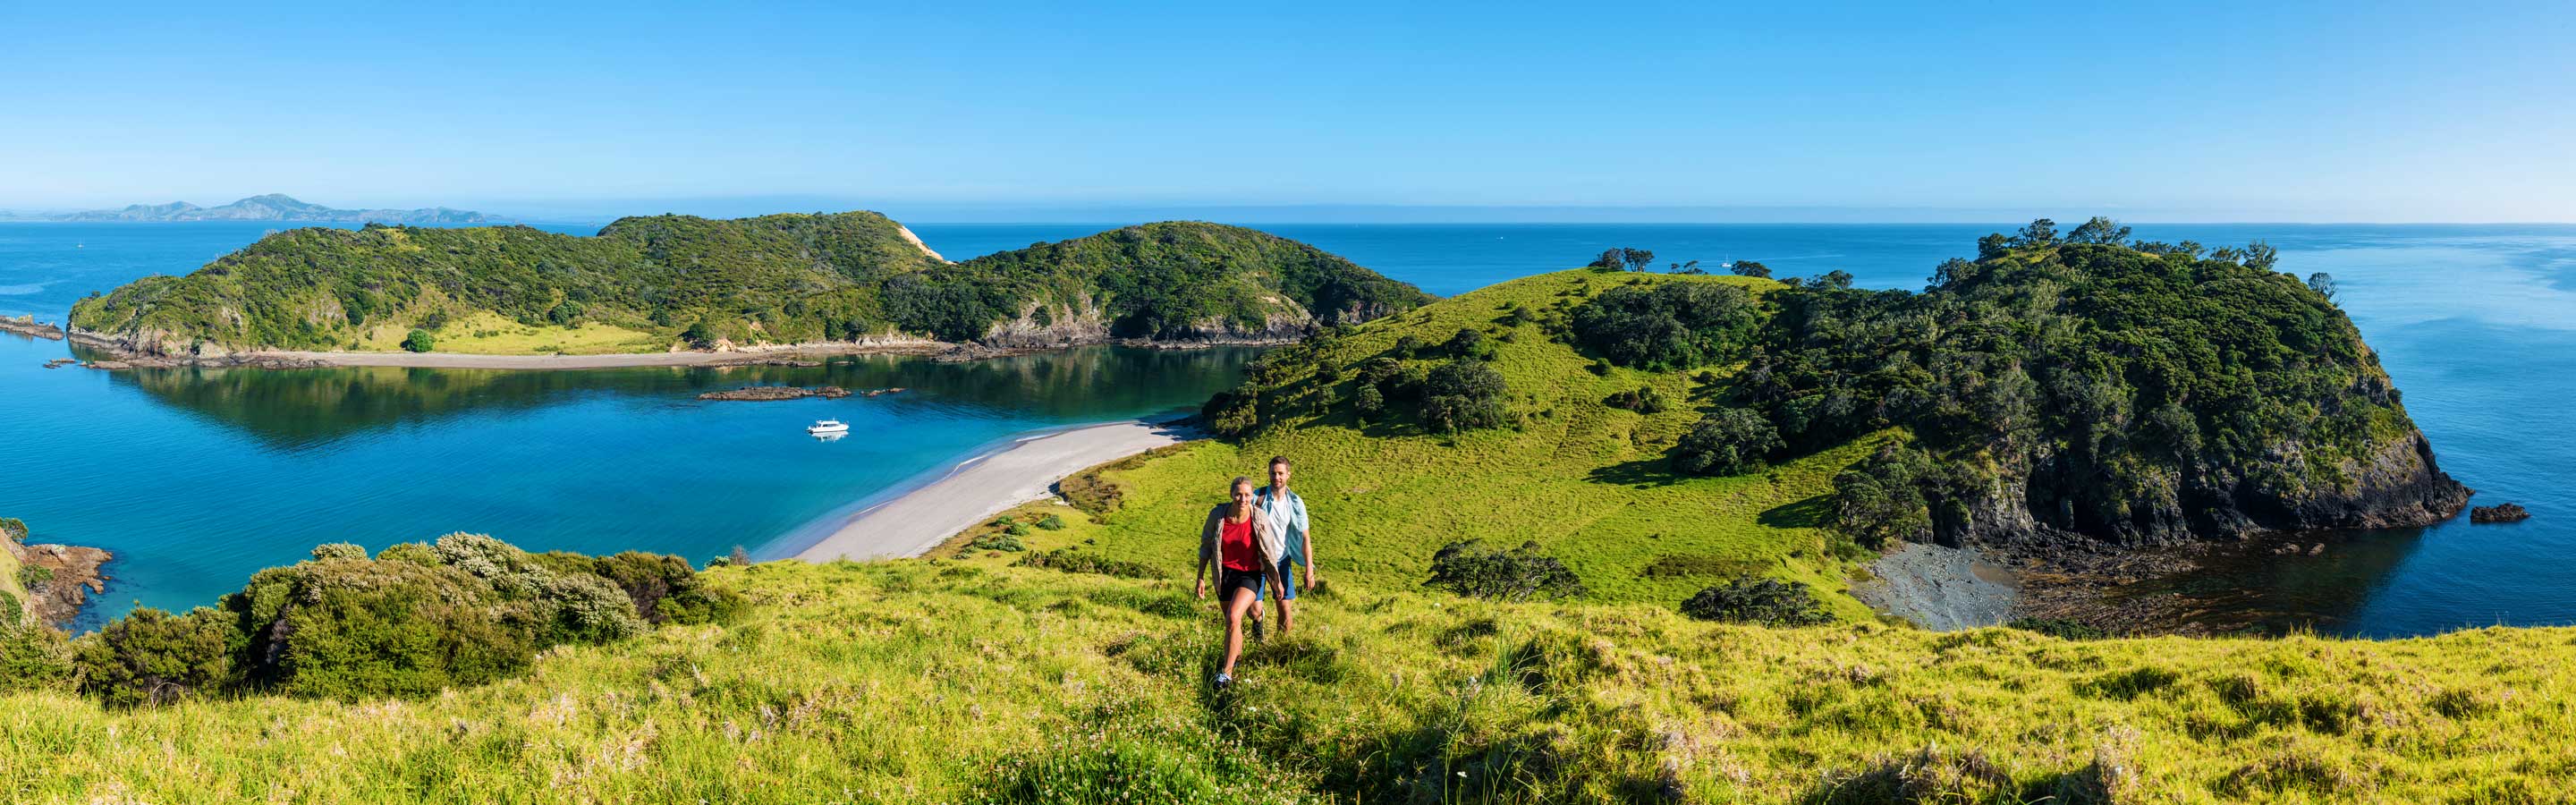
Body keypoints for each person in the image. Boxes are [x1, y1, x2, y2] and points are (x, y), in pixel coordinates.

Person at [1194, 475, 1287, 689]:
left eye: (1247, 495)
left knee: (1234, 617)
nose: (1242, 499)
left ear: (1252, 496)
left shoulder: (1259, 517)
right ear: (1231, 495)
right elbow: (1206, 546)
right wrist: (1200, 577)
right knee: (1232, 624)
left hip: (1250, 575)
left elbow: (1269, 551)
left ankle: (1225, 675)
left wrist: (1276, 581)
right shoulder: (1218, 516)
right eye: (1238, 494)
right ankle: (1239, 659)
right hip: (1224, 574)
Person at [1250, 455, 1314, 635]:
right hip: (1258, 561)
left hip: (1282, 561)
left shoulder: (1295, 503)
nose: (1276, 477)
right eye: (1273, 473)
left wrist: (1309, 569)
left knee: (1285, 609)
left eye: (1280, 473)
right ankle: (1259, 629)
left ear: (1288, 475)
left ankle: (1280, 647)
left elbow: (1305, 538)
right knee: (1254, 610)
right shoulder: (1257, 498)